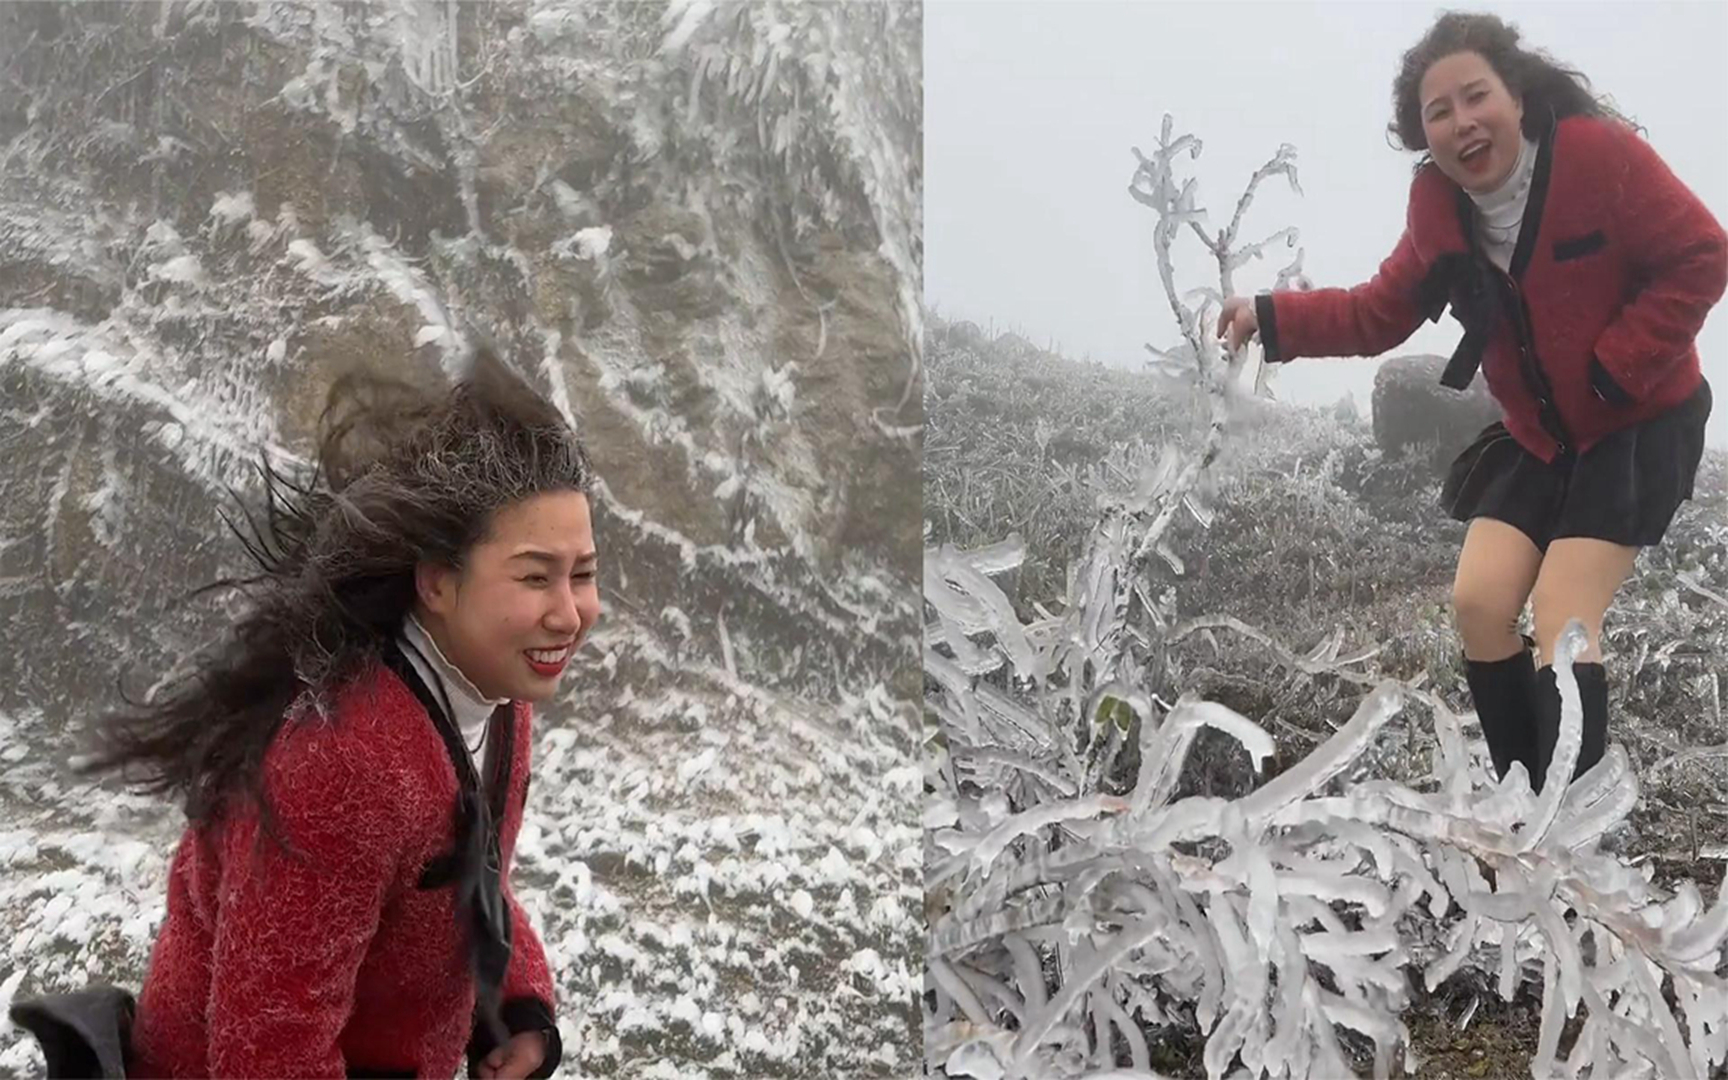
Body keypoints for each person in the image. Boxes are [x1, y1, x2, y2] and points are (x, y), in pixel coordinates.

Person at [15, 347, 597, 1077]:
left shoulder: (498, 699)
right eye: (536, 576)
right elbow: (269, 1048)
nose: (572, 614)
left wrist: (518, 1010)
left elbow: (471, 879)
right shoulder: (341, 763)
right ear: (439, 583)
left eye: (584, 574)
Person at [1216, 11, 1726, 794]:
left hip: (1635, 423)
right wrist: (1271, 315)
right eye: (1438, 112)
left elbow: (1702, 252)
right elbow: (1374, 312)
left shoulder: (1596, 158)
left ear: (1516, 96)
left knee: (1564, 616)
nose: (1462, 122)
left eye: (1475, 96)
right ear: (1424, 136)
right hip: (1539, 439)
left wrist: (1618, 366)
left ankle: (1570, 837)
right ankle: (1525, 804)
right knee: (1480, 603)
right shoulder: (1439, 212)